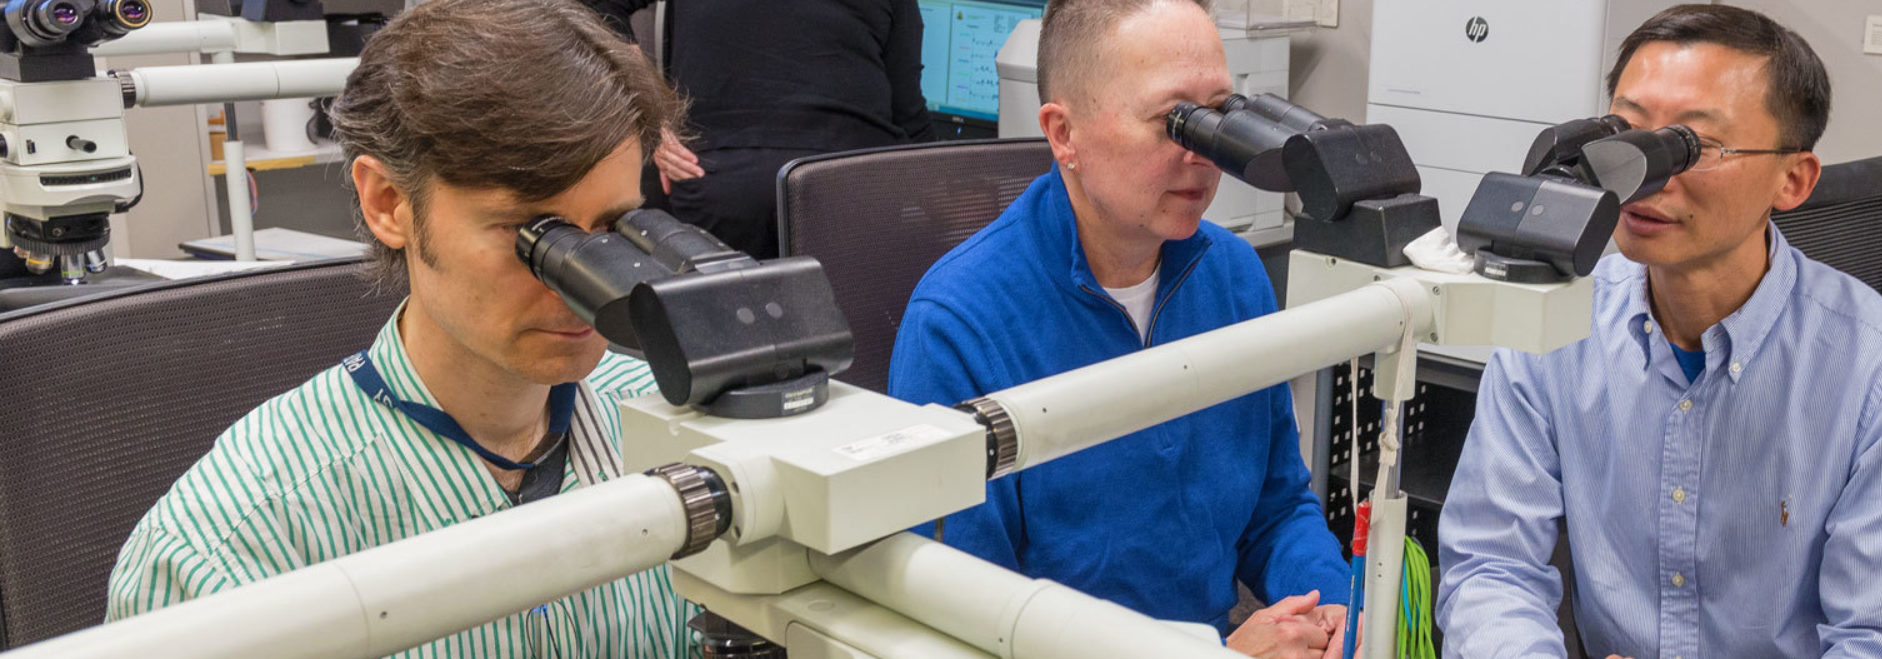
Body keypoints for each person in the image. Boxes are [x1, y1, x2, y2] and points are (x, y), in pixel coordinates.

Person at [104, 0, 691, 655]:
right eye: (532, 236)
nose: (590, 283)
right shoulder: (231, 550)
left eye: (612, 229)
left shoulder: (680, 425)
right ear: (389, 203)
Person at [1436, 5, 1882, 659]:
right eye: (1626, 132)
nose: (1640, 175)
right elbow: (1491, 566)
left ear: (1793, 178)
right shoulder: (1551, 328)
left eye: (1690, 145)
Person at [888, 0, 1351, 656]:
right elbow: (969, 623)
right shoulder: (959, 325)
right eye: (1174, 122)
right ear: (1063, 133)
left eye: (1220, 114)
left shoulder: (1234, 277)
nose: (1206, 155)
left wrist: (1328, 603)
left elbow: (1275, 510)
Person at [579, 0, 936, 259]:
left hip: (719, 191)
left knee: (723, 353)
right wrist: (955, 203)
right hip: (848, 194)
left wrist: (649, 114)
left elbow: (596, 8)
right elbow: (909, 117)